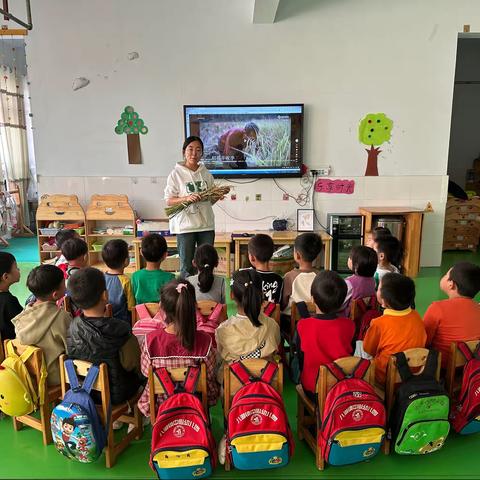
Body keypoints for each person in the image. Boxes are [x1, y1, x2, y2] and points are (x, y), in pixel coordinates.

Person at [138, 279, 219, 417]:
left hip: (163, 408)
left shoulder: (150, 341)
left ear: (161, 307)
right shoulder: (205, 341)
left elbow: (146, 373)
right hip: (196, 407)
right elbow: (209, 374)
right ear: (192, 307)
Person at [67, 267, 142, 405]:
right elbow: (134, 364)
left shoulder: (72, 326)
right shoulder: (120, 328)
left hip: (85, 390)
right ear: (105, 295)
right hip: (117, 394)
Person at [164, 136, 228, 278]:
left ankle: (206, 297)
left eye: (198, 150)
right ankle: (187, 298)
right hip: (185, 227)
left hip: (206, 225)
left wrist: (217, 196)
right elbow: (168, 201)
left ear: (202, 153)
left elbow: (209, 202)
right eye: (190, 149)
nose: (194, 153)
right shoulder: (175, 174)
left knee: (206, 264)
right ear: (183, 152)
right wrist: (186, 198)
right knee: (187, 266)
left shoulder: (206, 174)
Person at [293, 271, 354, 398]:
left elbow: (300, 358)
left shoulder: (303, 325)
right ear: (342, 302)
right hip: (341, 387)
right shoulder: (349, 325)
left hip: (313, 388)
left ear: (312, 299)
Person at [215, 269, 280, 382]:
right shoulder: (272, 324)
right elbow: (276, 348)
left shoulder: (222, 330)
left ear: (231, 295)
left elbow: (220, 356)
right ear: (261, 294)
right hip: (267, 383)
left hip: (235, 387)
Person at [363, 273, 427, 385]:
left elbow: (369, 349)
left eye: (378, 288)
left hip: (385, 375)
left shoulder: (378, 323)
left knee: (359, 346)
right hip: (415, 371)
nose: (376, 289)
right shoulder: (417, 316)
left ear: (384, 302)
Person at [13, 265, 71, 385]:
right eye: (64, 284)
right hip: (54, 377)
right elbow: (72, 349)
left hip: (28, 376)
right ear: (55, 295)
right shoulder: (62, 317)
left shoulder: (23, 315)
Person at [424, 262, 480, 369]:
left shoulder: (437, 308)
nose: (444, 276)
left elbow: (424, 341)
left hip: (441, 368)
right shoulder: (478, 309)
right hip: (470, 366)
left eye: (446, 275)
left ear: (451, 284)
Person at [281, 232, 322, 315]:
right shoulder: (321, 276)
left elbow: (283, 304)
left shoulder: (289, 276)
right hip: (315, 318)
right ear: (317, 255)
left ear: (297, 255)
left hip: (292, 321)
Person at [131, 234, 174, 304]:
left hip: (140, 314)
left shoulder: (135, 276)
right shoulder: (170, 277)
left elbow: (132, 302)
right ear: (165, 255)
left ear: (141, 252)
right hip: (163, 314)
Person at [102, 239, 135, 323]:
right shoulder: (126, 281)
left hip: (104, 320)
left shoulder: (101, 277)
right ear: (126, 261)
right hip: (122, 322)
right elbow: (131, 307)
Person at [339, 245, 378, 317]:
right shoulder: (373, 281)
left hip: (347, 320)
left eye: (350, 258)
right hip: (365, 319)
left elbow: (340, 305)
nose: (348, 259)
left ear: (356, 266)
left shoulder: (349, 283)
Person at [248, 234, 283, 304]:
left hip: (254, 314)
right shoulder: (279, 279)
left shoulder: (248, 277)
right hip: (273, 314)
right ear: (271, 255)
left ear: (252, 257)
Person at [0, 252, 22, 340]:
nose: (19, 269)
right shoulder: (9, 301)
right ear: (6, 277)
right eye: (16, 268)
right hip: (11, 349)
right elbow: (25, 325)